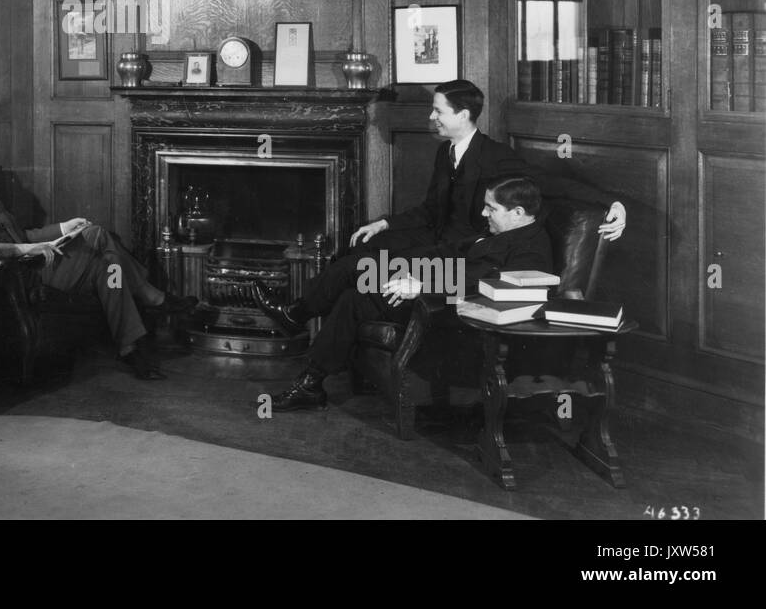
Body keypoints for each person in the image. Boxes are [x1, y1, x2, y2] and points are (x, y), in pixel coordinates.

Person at [253, 78, 626, 411]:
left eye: (438, 111)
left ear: (463, 114)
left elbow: (547, 182)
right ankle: (305, 345)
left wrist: (612, 202)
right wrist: (385, 223)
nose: (432, 118)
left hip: (450, 266)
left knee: (359, 273)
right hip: (440, 252)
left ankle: (298, 327)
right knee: (360, 256)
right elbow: (431, 210)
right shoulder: (445, 153)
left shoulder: (496, 162)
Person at [276, 177, 555, 410]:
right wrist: (402, 266)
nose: (484, 214)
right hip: (425, 287)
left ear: (517, 213)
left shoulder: (531, 250)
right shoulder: (499, 231)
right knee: (354, 296)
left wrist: (422, 285)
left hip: (447, 310)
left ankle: (295, 315)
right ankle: (310, 383)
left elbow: (486, 283)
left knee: (353, 267)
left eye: (490, 208)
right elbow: (447, 252)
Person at [0, 161, 196, 380]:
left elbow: (23, 234)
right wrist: (24, 250)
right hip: (21, 278)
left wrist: (64, 227)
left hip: (44, 262)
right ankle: (153, 297)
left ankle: (130, 348)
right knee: (97, 234)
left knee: (109, 267)